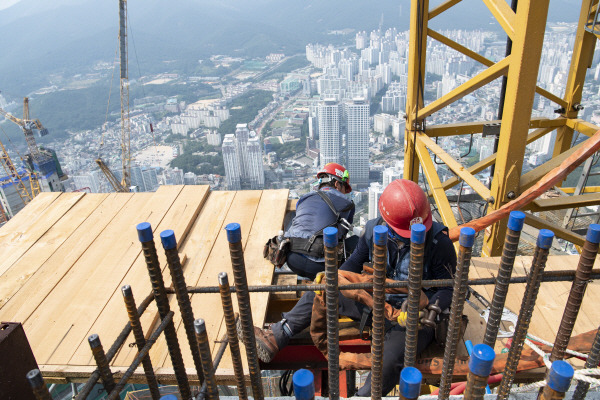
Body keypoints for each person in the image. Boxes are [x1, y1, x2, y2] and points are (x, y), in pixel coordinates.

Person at [244, 179, 457, 396]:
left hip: (412, 317)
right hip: (376, 303)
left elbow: (449, 288)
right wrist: (334, 278)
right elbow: (353, 264)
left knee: (390, 361)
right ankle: (278, 335)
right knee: (323, 288)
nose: (411, 239)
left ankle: (362, 396)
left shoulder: (439, 243)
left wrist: (427, 306)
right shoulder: (375, 230)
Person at [283, 163, 356, 280]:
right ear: (337, 184)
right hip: (321, 266)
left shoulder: (303, 199)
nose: (343, 193)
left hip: (292, 259)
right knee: (357, 241)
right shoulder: (346, 203)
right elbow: (341, 234)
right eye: (343, 188)